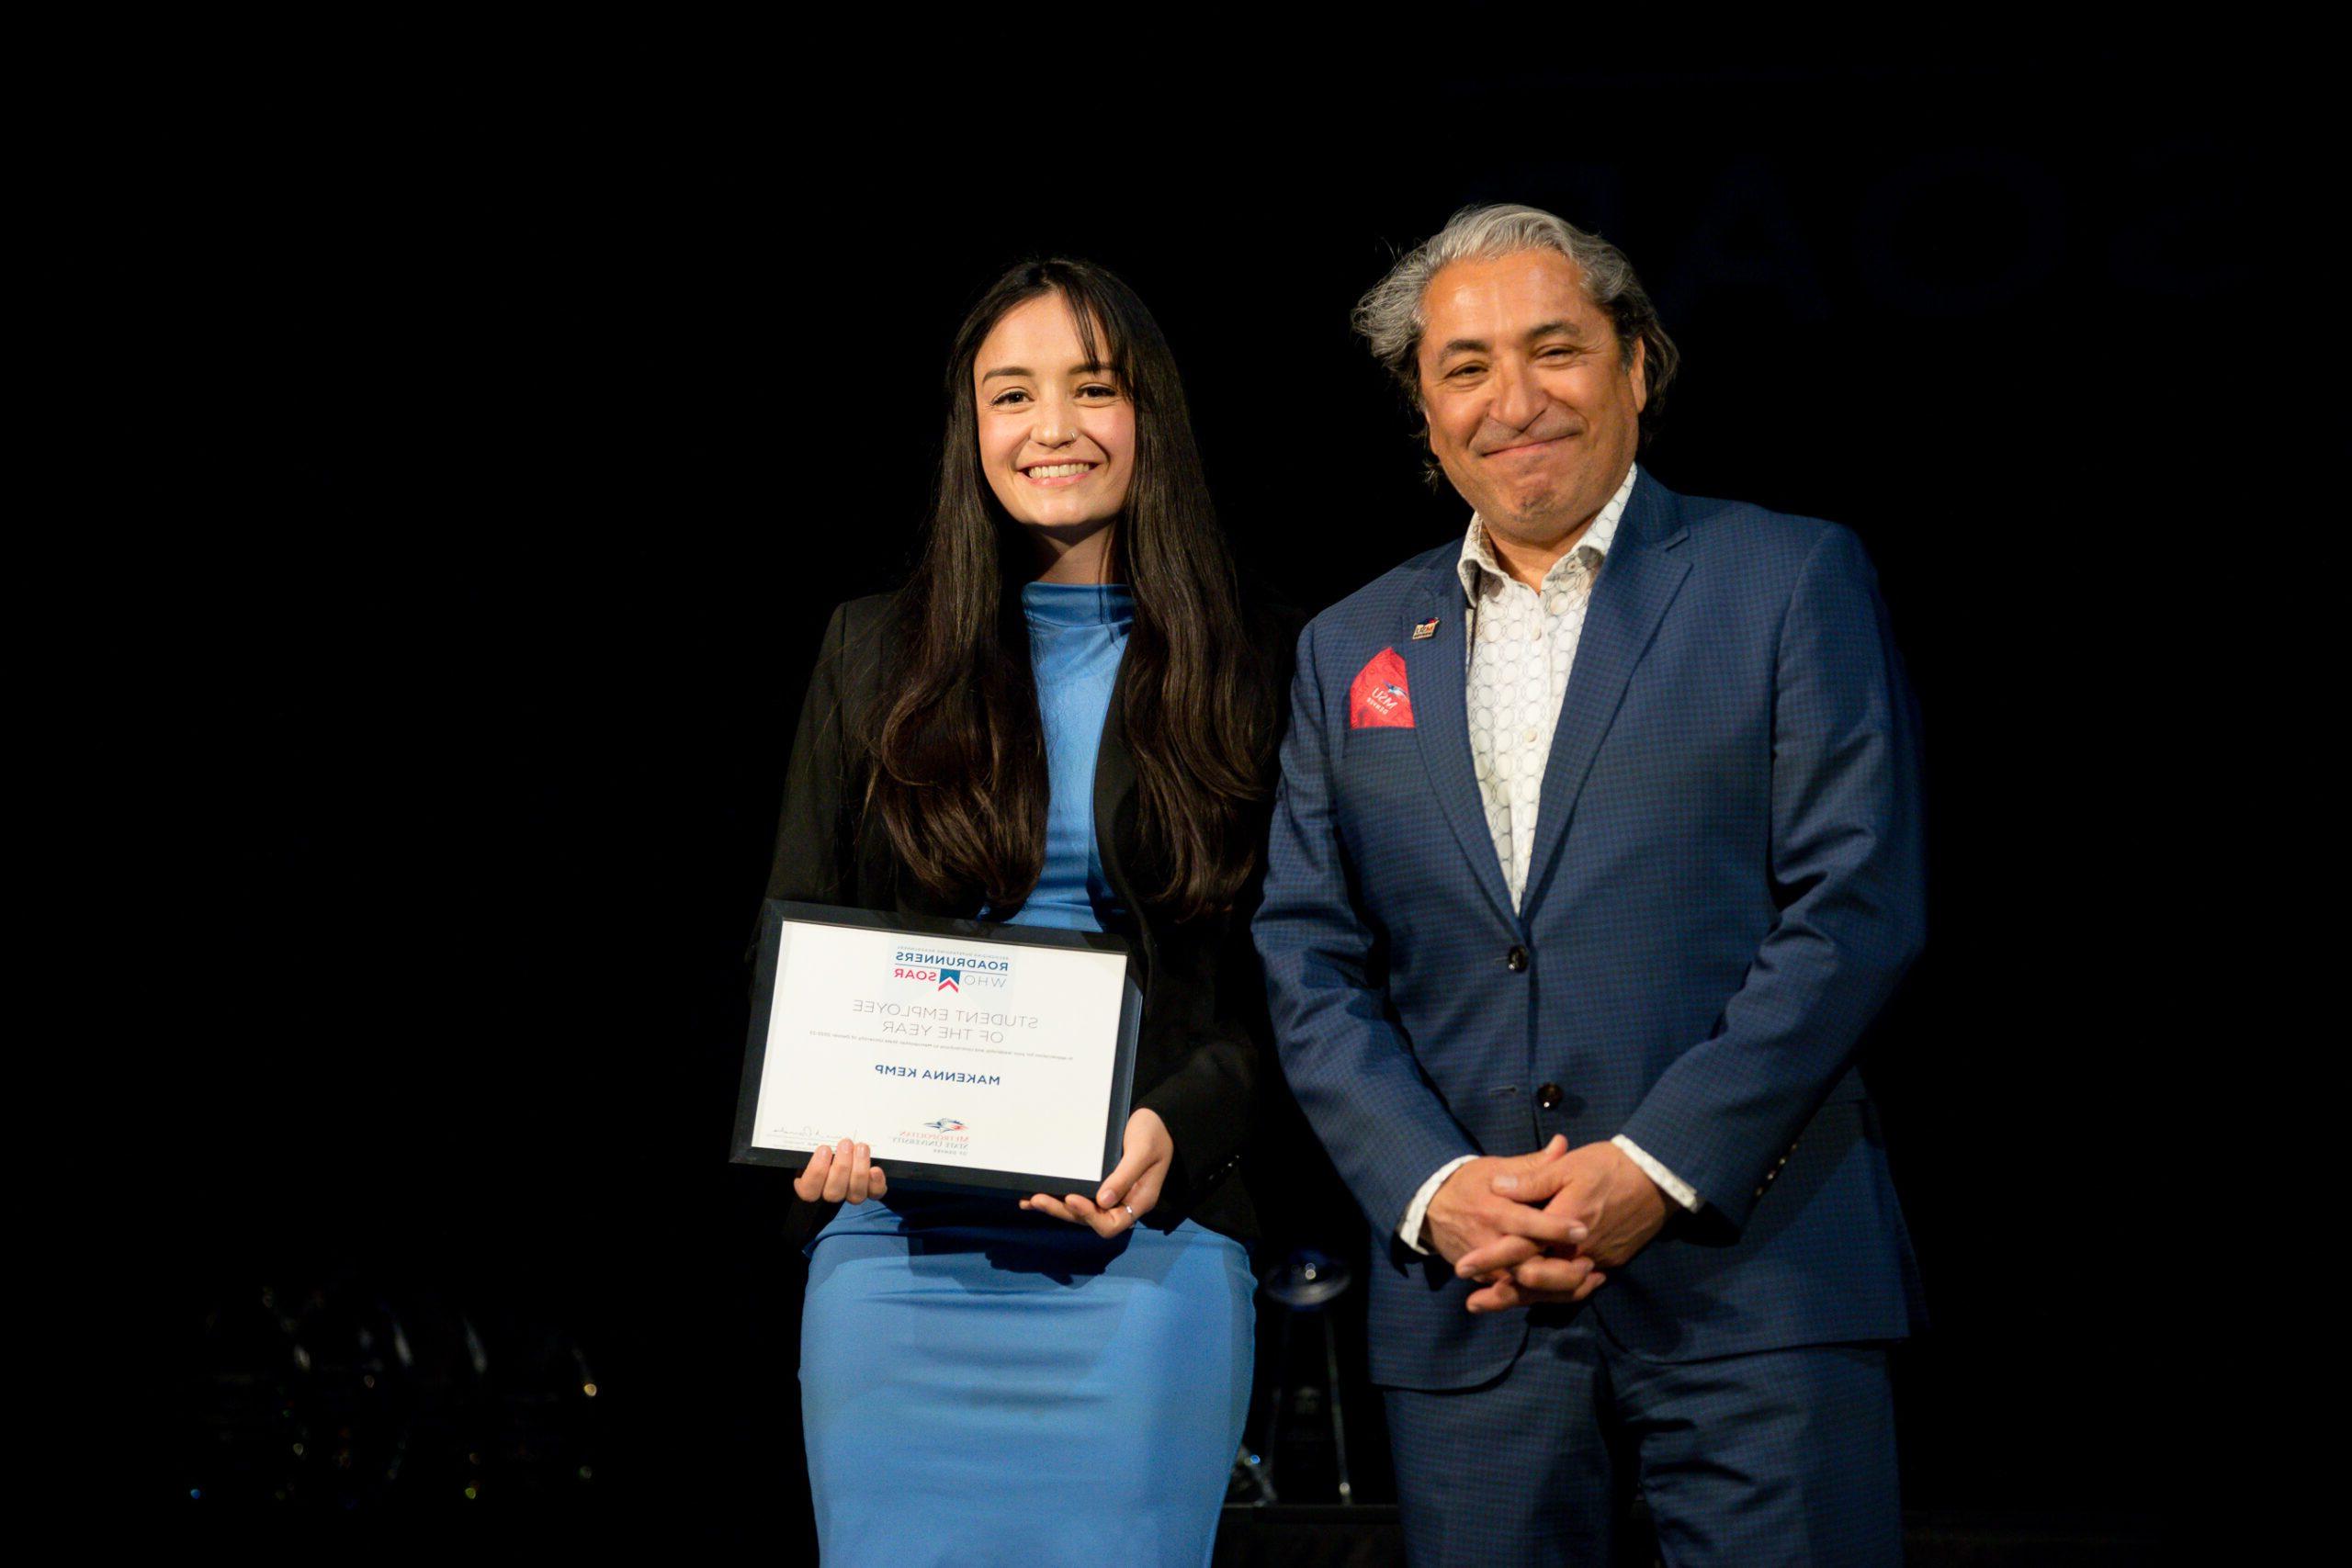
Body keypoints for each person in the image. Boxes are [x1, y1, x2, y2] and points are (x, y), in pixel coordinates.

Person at [1253, 203, 1928, 1566]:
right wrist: (1435, 1186)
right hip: (1472, 1309)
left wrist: (1655, 1165)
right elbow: (1309, 957)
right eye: (1465, 366)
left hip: (1754, 1287)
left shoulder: (1786, 575)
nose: (1514, 400)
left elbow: (1853, 907)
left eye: (1553, 349)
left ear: (1637, 365)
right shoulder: (1349, 647)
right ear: (1424, 412)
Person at [757, 257, 1287, 1566]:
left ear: (1146, 413)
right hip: (897, 1260)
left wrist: (1176, 1123)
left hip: (1147, 1254)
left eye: (1091, 388)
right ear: (970, 428)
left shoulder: (1265, 660)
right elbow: (806, 932)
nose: (1052, 428)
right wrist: (817, 1129)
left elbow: (1298, 990)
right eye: (1013, 394)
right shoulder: (871, 651)